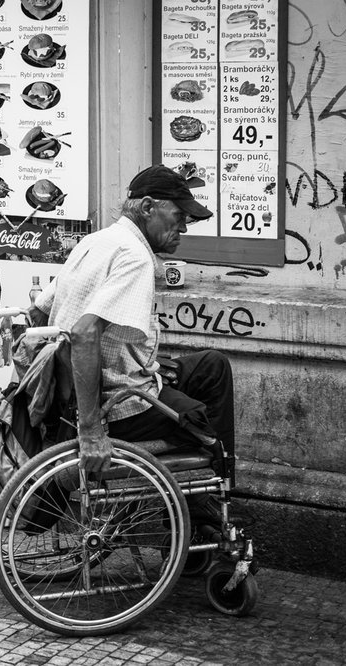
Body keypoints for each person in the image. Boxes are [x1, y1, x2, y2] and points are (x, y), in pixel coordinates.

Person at [28, 164, 233, 521]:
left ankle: (202, 504)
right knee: (201, 425)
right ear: (149, 207)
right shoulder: (136, 259)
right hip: (118, 405)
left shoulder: (95, 241)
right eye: (179, 216)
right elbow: (84, 333)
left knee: (211, 367)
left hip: (85, 390)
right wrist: (90, 429)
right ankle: (204, 513)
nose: (183, 228)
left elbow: (38, 313)